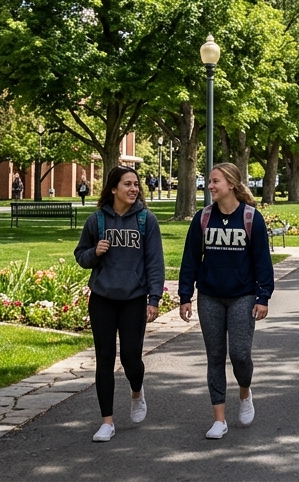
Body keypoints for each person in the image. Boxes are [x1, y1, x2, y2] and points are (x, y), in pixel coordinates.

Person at [178, 162, 274, 441]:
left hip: (242, 297)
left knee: (240, 355)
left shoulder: (251, 218)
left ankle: (244, 391)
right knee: (215, 357)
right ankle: (219, 419)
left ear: (231, 184)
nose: (210, 186)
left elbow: (262, 262)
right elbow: (190, 260)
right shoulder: (203, 218)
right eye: (209, 181)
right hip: (210, 297)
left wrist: (263, 296)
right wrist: (185, 296)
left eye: (215, 181)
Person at [73, 166, 164, 443]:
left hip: (133, 300)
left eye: (136, 184)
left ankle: (137, 391)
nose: (134, 189)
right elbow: (81, 256)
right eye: (128, 184)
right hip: (102, 299)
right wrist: (95, 252)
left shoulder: (146, 221)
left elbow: (154, 263)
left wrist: (154, 299)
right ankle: (107, 421)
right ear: (114, 189)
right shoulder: (97, 221)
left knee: (131, 359)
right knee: (104, 360)